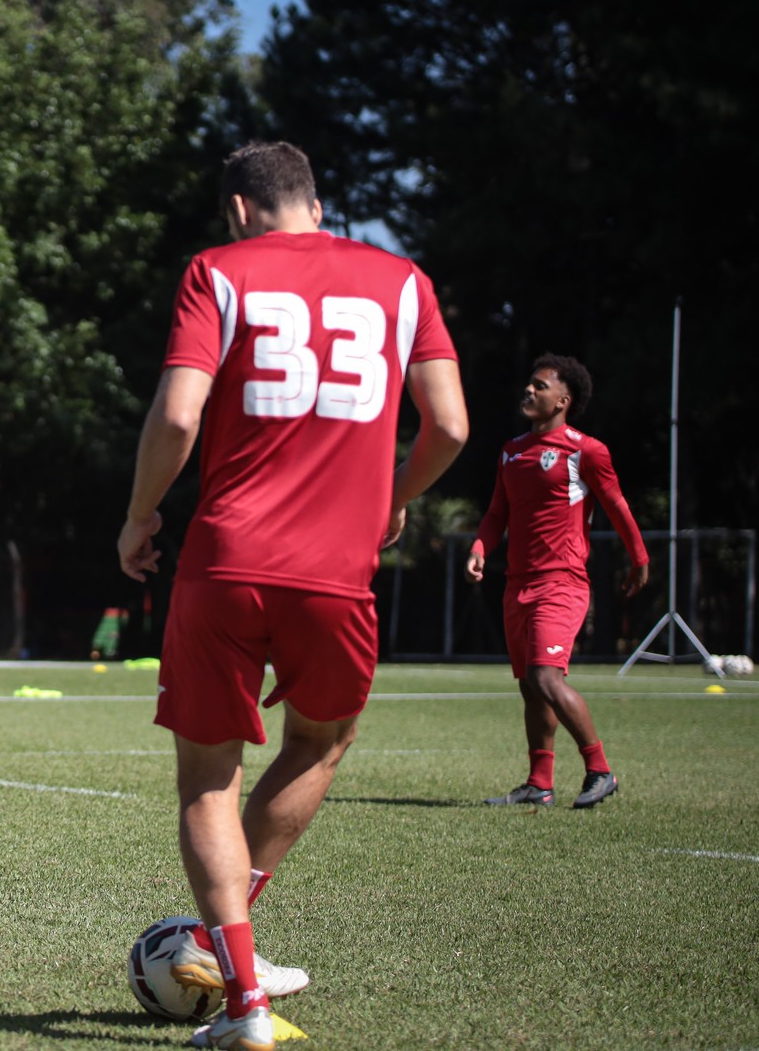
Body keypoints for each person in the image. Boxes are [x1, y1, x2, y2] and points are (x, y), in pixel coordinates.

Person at [118, 142, 468, 1049]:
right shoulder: (402, 281)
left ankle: (244, 1001)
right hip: (336, 573)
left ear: (239, 209)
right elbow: (454, 426)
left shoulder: (217, 271)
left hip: (226, 563)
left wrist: (140, 517)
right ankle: (233, 950)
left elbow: (180, 413)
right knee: (322, 741)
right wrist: (388, 500)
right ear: (316, 202)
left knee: (207, 783)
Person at [467, 355, 647, 810]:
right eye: (528, 384)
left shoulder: (586, 450)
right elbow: (497, 514)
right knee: (530, 684)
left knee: (547, 677)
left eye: (539, 386)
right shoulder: (511, 450)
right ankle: (539, 782)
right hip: (517, 584)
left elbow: (617, 506)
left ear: (563, 400)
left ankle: (600, 770)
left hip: (562, 582)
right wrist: (480, 548)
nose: (529, 391)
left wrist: (640, 557)